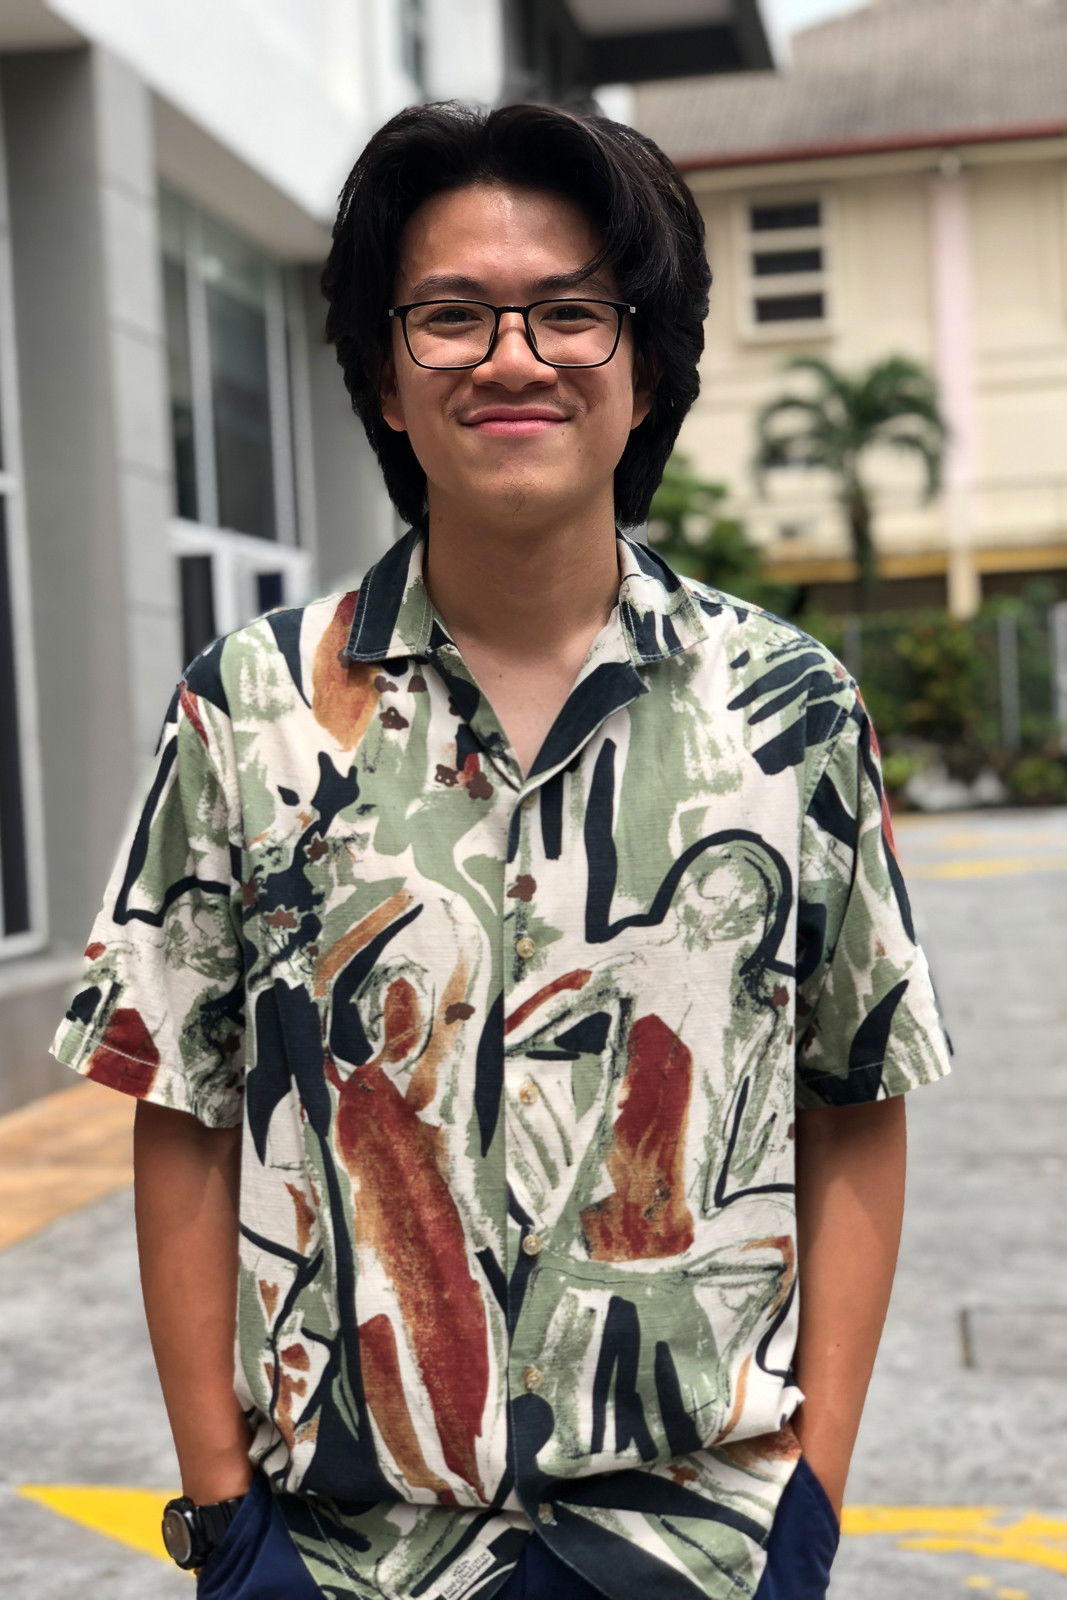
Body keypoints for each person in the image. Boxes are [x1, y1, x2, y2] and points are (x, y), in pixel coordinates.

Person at [52, 100, 950, 1600]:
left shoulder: (790, 710)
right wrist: (222, 1514)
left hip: (692, 1545)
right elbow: (182, 1103)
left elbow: (856, 1096)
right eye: (452, 314)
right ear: (386, 379)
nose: (512, 357)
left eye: (571, 313)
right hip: (341, 1554)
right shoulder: (251, 708)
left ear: (646, 367)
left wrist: (811, 1497)